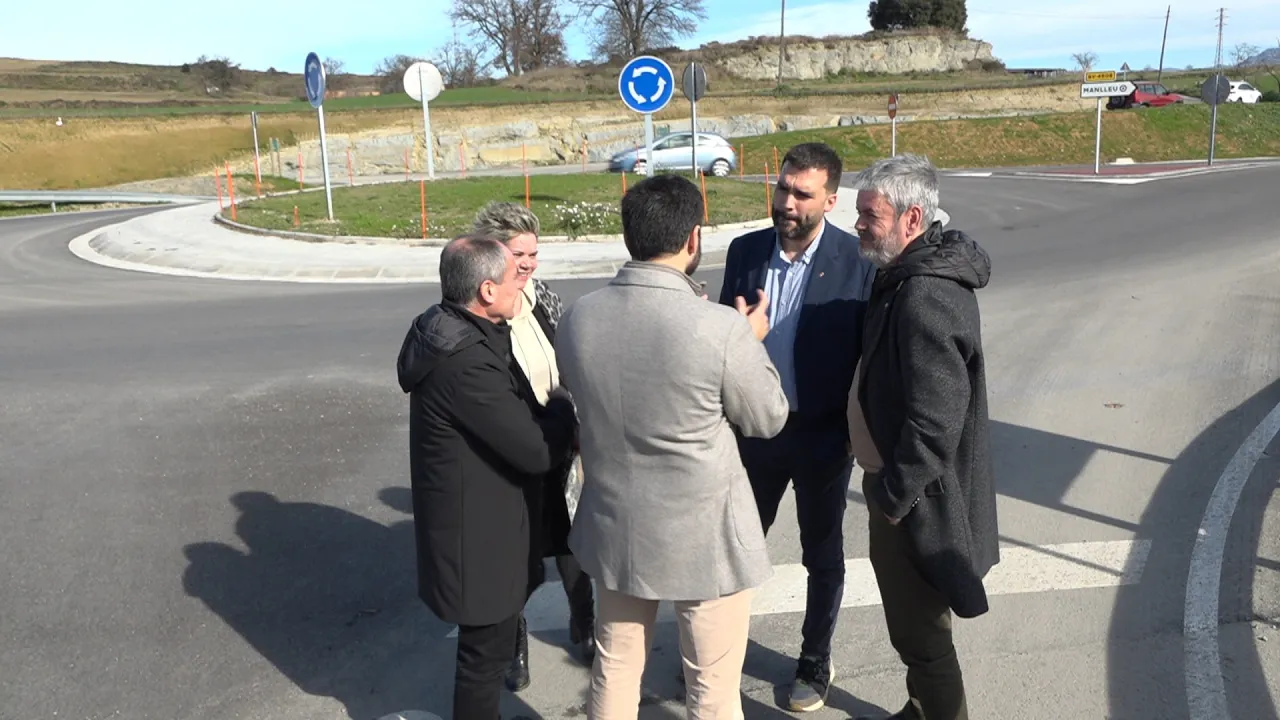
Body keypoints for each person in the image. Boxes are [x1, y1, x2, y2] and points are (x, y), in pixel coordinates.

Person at [554, 174, 790, 719]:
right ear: (693, 238)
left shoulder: (579, 318)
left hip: (618, 523)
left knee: (614, 668)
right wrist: (750, 341)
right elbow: (768, 417)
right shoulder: (720, 328)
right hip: (704, 533)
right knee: (712, 689)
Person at [717, 141, 877, 712]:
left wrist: (858, 435)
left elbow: (869, 357)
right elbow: (720, 343)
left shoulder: (858, 262)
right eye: (782, 188)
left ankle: (814, 656)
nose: (786, 202)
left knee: (821, 552)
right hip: (753, 433)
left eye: (801, 194)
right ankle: (720, 650)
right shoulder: (744, 252)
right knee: (734, 547)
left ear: (830, 200)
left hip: (822, 437)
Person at [395, 234, 579, 720]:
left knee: (484, 653)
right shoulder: (466, 363)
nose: (524, 283)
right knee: (482, 662)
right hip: (477, 543)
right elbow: (534, 449)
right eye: (512, 277)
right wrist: (561, 408)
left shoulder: (452, 331)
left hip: (480, 526)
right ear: (486, 292)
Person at [846, 153, 999, 720]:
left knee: (923, 638)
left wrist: (891, 496)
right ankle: (923, 707)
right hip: (905, 492)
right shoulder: (903, 275)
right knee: (914, 631)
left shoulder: (925, 294)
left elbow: (937, 421)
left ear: (912, 220)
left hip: (915, 501)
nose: (858, 223)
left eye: (870, 215)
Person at [470, 201, 597, 692]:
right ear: (490, 253)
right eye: (518, 253)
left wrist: (579, 421)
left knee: (573, 544)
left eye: (533, 253)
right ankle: (512, 647)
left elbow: (568, 359)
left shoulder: (542, 295)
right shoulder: (477, 303)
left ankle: (583, 625)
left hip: (561, 446)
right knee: (515, 561)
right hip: (510, 456)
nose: (528, 263)